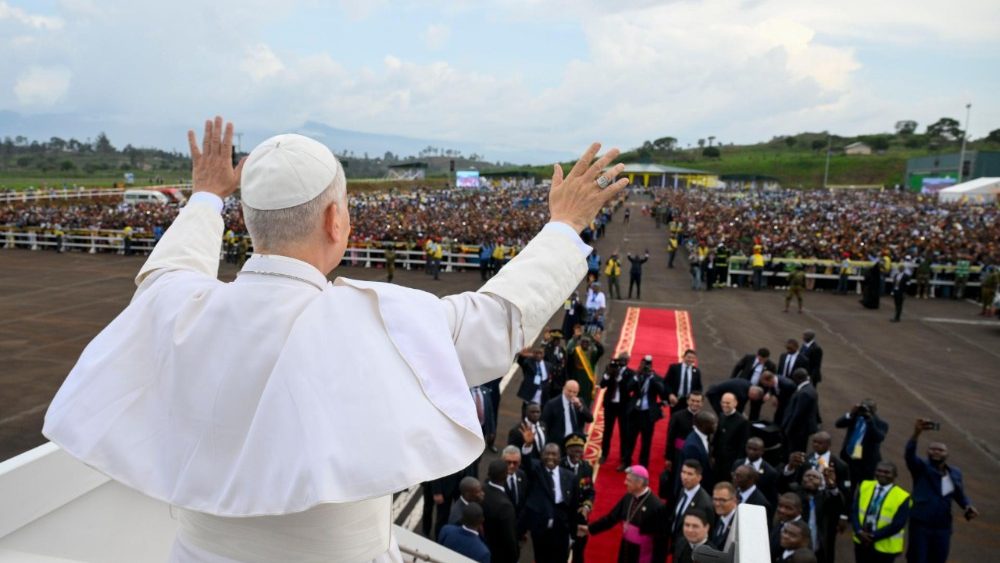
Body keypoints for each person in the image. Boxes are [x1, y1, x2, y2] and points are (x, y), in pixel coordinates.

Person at [42, 120, 628, 563]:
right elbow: (499, 319)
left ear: (247, 222)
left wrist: (204, 197)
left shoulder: (180, 309)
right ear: (333, 222)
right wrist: (563, 225)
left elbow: (167, 271)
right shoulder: (382, 317)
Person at [904, 419, 978, 563]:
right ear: (927, 452)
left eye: (941, 450)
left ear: (947, 454)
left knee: (939, 559)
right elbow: (909, 455)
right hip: (921, 524)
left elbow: (959, 494)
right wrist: (916, 434)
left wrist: (968, 505)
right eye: (933, 449)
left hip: (943, 526)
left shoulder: (955, 472)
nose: (936, 452)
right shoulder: (921, 468)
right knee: (918, 558)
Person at [584, 465, 667, 563]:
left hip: (642, 555)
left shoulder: (657, 506)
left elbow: (661, 543)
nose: (625, 483)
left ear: (639, 483)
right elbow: (611, 518)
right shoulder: (628, 497)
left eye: (628, 480)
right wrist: (590, 528)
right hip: (625, 548)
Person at [519, 443, 581, 563]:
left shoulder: (570, 477)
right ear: (541, 456)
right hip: (540, 527)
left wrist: (573, 535)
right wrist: (527, 445)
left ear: (560, 457)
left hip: (561, 527)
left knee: (561, 558)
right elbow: (527, 463)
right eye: (547, 453)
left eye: (554, 454)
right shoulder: (537, 471)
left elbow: (573, 507)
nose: (550, 457)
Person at [851, 462, 911, 563]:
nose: (882, 474)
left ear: (895, 475)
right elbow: (855, 511)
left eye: (887, 472)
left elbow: (898, 524)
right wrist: (859, 531)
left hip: (884, 547)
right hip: (861, 541)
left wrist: (873, 536)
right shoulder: (865, 486)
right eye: (879, 471)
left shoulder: (903, 496)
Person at [620, 355, 668, 471]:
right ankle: (626, 462)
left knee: (646, 441)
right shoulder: (636, 376)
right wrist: (637, 375)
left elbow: (663, 393)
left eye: (646, 366)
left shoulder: (656, 378)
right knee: (629, 439)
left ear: (651, 366)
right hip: (634, 412)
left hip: (648, 414)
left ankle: (643, 465)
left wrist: (652, 377)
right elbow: (628, 388)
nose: (644, 367)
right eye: (642, 365)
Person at [836, 400, 889, 488]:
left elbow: (879, 438)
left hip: (866, 464)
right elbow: (838, 424)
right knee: (848, 486)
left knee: (864, 488)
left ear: (874, 410)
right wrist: (851, 413)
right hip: (849, 459)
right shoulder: (855, 417)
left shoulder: (881, 423)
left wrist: (870, 422)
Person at [561, 433, 595, 563]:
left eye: (580, 449)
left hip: (580, 518)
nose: (577, 453)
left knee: (579, 553)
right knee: (561, 552)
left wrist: (587, 506)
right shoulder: (560, 466)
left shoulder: (586, 467)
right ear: (567, 450)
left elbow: (590, 491)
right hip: (563, 518)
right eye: (573, 449)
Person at [600, 354, 635, 464]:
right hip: (610, 405)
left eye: (625, 360)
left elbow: (628, 389)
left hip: (623, 407)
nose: (622, 361)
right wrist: (607, 374)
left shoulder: (631, 373)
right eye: (621, 359)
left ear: (628, 361)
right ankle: (604, 454)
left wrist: (619, 377)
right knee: (607, 431)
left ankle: (623, 457)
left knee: (624, 432)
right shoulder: (611, 368)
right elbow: (602, 385)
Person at [482, 459, 519, 563]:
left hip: (485, 543)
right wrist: (515, 556)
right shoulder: (505, 506)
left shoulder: (482, 490)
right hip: (499, 553)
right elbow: (510, 538)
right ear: (506, 475)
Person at [713, 392, 750, 485]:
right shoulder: (722, 416)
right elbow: (717, 437)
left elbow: (743, 445)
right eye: (723, 402)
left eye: (728, 403)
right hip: (719, 461)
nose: (725, 405)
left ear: (735, 403)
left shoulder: (742, 422)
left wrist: (737, 466)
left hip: (731, 463)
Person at [733, 437, 780, 506]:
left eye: (755, 450)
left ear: (762, 451)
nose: (751, 452)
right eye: (749, 448)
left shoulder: (770, 472)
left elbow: (772, 498)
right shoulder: (737, 463)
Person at [781, 369, 819, 454]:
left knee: (794, 451)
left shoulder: (804, 393)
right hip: (802, 429)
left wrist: (788, 429)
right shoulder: (809, 387)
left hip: (798, 430)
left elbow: (797, 414)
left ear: (798, 379)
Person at [679, 411, 718, 490]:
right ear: (703, 426)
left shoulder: (704, 435)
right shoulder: (692, 447)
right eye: (713, 424)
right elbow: (692, 472)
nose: (715, 426)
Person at [567, 332, 604, 407]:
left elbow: (601, 351)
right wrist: (574, 339)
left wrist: (597, 342)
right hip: (576, 378)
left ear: (590, 343)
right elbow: (568, 350)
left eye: (587, 342)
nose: (585, 343)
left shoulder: (592, 353)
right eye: (583, 341)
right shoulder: (576, 351)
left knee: (586, 402)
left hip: (588, 382)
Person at [710, 482, 738, 549]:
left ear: (734, 500)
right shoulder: (720, 517)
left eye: (722, 500)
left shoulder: (738, 522)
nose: (717, 504)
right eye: (715, 499)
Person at [501, 446, 526, 516]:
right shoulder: (497, 478)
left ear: (520, 462)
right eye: (508, 462)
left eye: (515, 463)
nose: (512, 466)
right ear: (502, 461)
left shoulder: (522, 475)